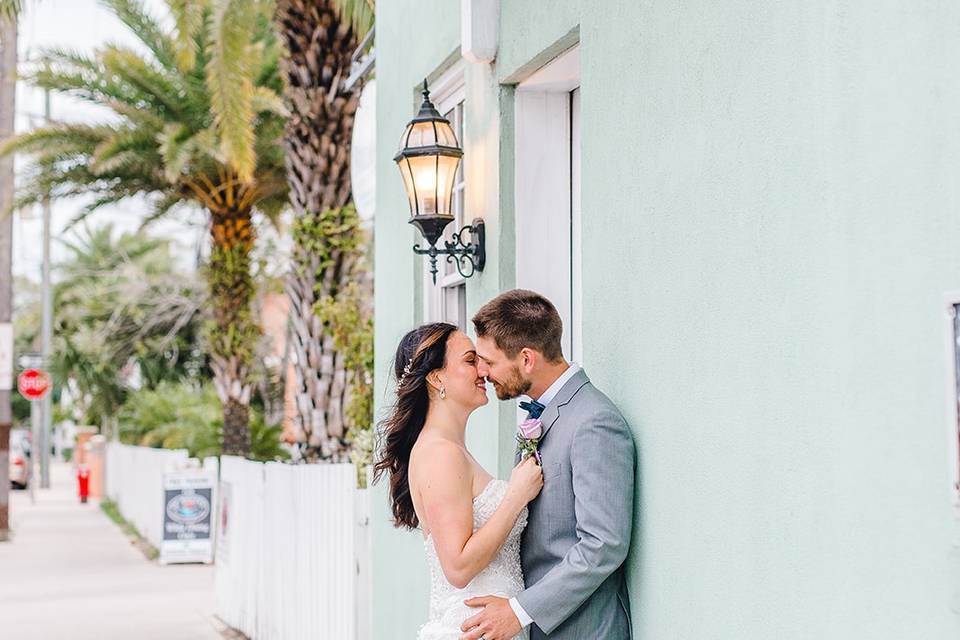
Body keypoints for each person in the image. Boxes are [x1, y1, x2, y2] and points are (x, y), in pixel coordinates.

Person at [460, 289, 636, 640]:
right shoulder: (546, 413)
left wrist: (519, 611)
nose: (483, 372)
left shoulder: (594, 422)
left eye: (490, 362)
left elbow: (603, 545)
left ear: (527, 359)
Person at [375, 322, 543, 640]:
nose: (483, 369)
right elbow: (458, 567)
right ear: (437, 377)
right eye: (470, 360)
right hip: (471, 629)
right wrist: (516, 497)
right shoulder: (440, 454)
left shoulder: (447, 449)